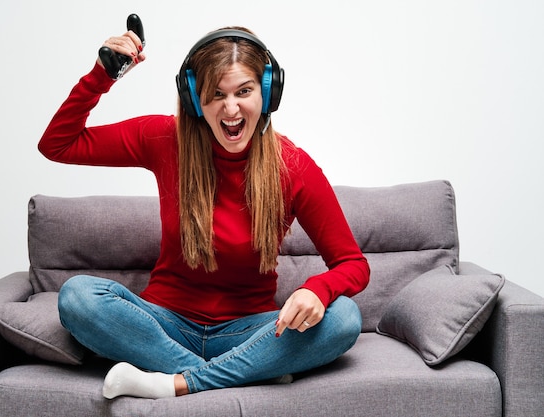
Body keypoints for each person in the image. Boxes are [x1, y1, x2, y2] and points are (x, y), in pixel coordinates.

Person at [38, 23, 370, 400]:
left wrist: (318, 290)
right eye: (216, 95)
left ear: (267, 91)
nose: (231, 109)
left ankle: (175, 382)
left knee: (344, 318)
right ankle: (244, 372)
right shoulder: (163, 139)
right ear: (195, 99)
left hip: (251, 330)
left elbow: (353, 264)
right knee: (78, 296)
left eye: (243, 91)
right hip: (164, 325)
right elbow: (58, 144)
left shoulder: (293, 166)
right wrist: (102, 76)